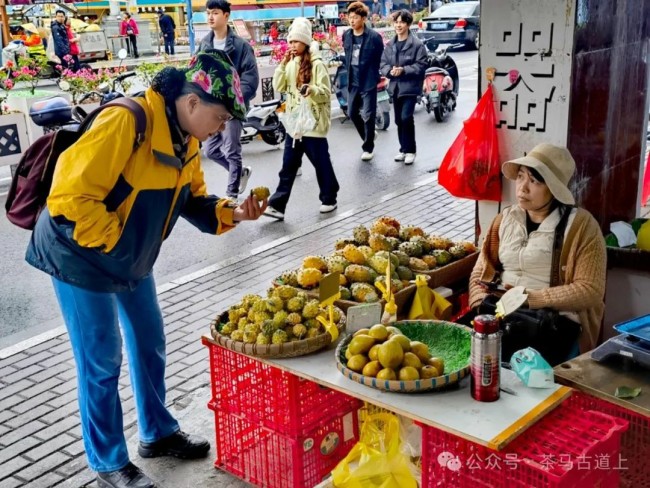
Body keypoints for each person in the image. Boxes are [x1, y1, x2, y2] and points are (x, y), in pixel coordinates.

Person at [25, 51, 267, 488]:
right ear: (192, 103)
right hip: (78, 255)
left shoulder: (186, 139)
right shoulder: (126, 122)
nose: (221, 128)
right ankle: (108, 461)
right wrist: (118, 245)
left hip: (128, 257)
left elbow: (193, 200)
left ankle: (156, 433)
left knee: (149, 341)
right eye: (220, 117)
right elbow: (68, 199)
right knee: (101, 361)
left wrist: (235, 212)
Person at [468, 144, 606, 365]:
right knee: (467, 364)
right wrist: (479, 302)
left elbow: (591, 290)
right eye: (521, 177)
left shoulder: (582, 227)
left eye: (534, 181)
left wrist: (532, 299)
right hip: (499, 312)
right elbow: (481, 270)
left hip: (550, 324)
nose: (522, 188)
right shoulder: (504, 219)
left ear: (554, 189)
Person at [263, 18, 339, 221]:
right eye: (290, 41)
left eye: (296, 41)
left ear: (305, 42)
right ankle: (277, 205)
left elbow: (325, 92)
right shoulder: (290, 63)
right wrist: (282, 63)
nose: (292, 45)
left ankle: (329, 197)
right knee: (288, 165)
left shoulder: (317, 64)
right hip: (295, 124)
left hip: (312, 123)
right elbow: (279, 86)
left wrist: (311, 90)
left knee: (321, 163)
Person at [198, 0, 259, 201]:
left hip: (233, 107)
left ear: (226, 16)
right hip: (212, 109)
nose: (210, 17)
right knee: (211, 150)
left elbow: (250, 77)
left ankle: (231, 193)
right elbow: (197, 73)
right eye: (208, 13)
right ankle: (239, 173)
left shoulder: (241, 46)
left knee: (232, 150)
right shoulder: (205, 44)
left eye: (215, 13)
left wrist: (235, 99)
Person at [380, 9, 427, 165]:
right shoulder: (390, 44)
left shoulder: (417, 45)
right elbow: (383, 64)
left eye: (402, 22)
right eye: (396, 22)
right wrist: (390, 71)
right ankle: (403, 149)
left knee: (406, 117)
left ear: (408, 24)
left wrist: (404, 70)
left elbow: (421, 66)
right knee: (399, 120)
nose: (398, 25)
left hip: (411, 87)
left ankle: (411, 150)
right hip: (395, 87)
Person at [343, 2, 384, 161]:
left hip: (368, 80)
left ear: (363, 18)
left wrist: (378, 73)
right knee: (353, 113)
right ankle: (370, 135)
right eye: (350, 17)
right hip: (353, 80)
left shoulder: (373, 37)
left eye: (355, 17)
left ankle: (368, 147)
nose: (352, 21)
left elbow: (380, 56)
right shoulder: (347, 35)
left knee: (368, 114)